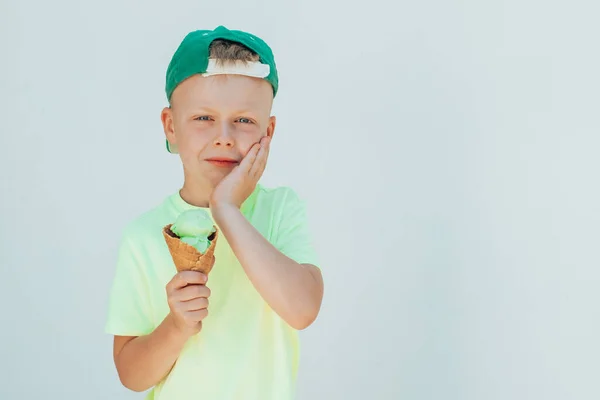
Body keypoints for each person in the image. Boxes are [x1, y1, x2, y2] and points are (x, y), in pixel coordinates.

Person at [104, 25, 324, 400]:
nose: (224, 136)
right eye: (203, 118)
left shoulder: (280, 209)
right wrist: (176, 325)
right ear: (171, 126)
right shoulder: (143, 235)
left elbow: (302, 310)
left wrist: (227, 210)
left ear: (268, 132)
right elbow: (131, 375)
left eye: (244, 120)